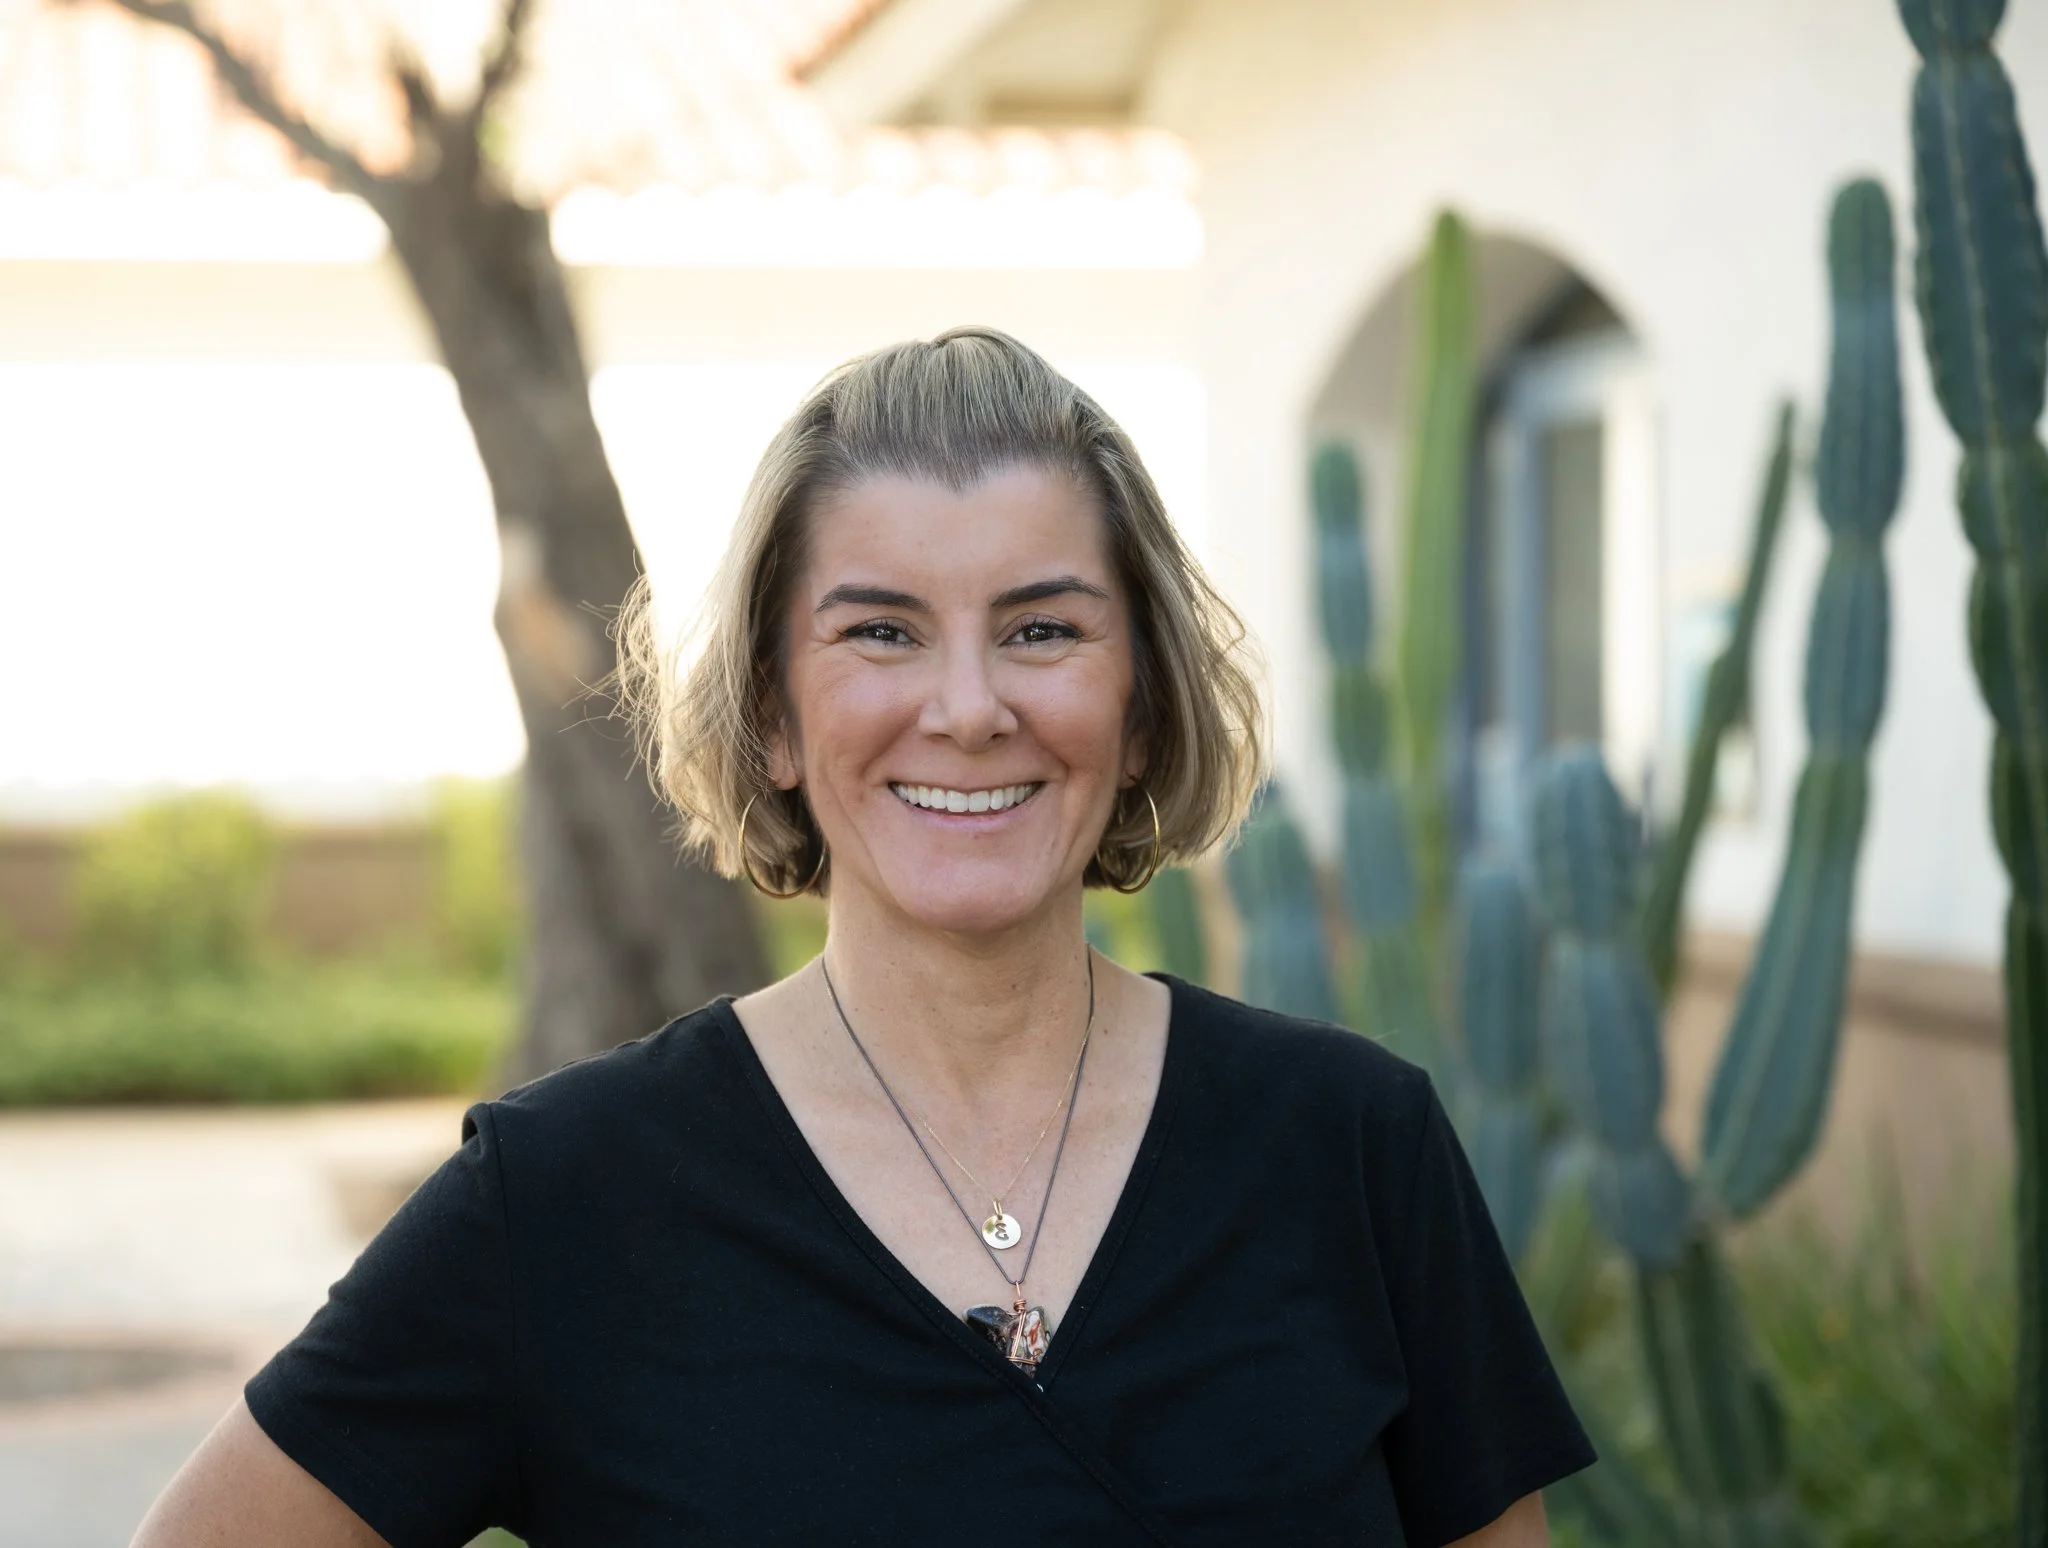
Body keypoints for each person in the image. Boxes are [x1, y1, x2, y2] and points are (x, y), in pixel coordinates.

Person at [132, 327, 1593, 1547]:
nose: (967, 707)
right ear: (772, 711)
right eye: (880, 632)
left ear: (1140, 702)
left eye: (1042, 630)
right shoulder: (571, 1199)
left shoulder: (1349, 1150)